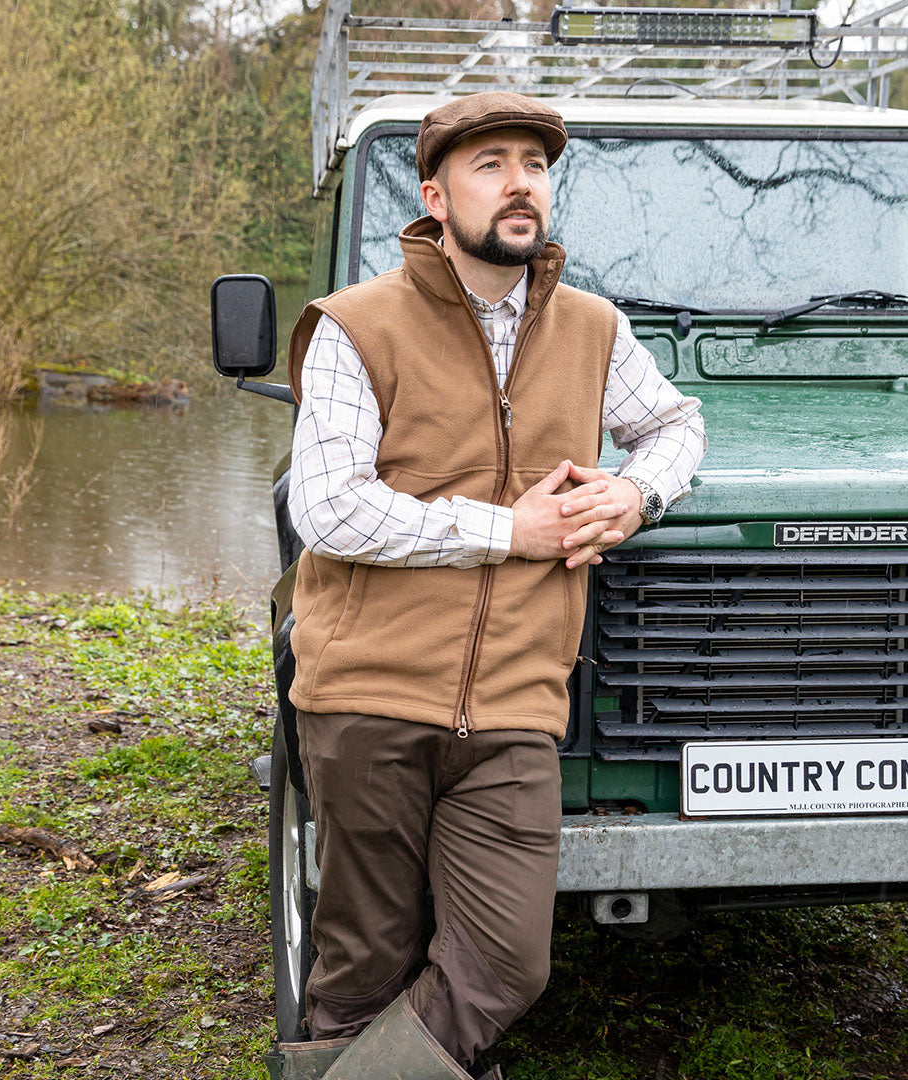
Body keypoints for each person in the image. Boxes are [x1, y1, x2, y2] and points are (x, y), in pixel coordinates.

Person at [283, 91, 706, 1080]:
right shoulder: (356, 326)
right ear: (435, 197)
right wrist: (506, 529)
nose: (520, 182)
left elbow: (676, 424)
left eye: (535, 164)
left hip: (515, 709)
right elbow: (329, 508)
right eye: (490, 165)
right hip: (368, 698)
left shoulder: (594, 327)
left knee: (505, 966)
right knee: (363, 966)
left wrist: (637, 493)